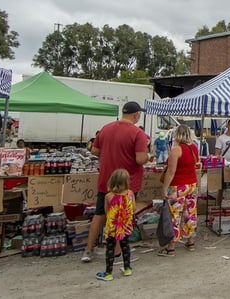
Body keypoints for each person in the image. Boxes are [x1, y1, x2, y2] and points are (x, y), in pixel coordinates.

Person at [82, 102, 149, 263]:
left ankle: (88, 250)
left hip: (106, 180)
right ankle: (117, 252)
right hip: (127, 182)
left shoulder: (106, 128)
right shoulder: (137, 133)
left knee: (100, 214)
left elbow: (95, 151)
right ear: (136, 115)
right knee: (123, 216)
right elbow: (140, 159)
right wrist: (147, 156)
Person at [158, 125, 201, 256]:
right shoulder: (193, 148)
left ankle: (171, 246)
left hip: (178, 186)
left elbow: (171, 172)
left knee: (174, 215)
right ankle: (191, 240)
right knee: (190, 213)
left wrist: (164, 187)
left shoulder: (176, 150)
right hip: (192, 184)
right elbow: (196, 167)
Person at [95, 169, 135, 281]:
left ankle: (108, 273)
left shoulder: (109, 196)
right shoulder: (130, 194)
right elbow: (134, 208)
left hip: (112, 226)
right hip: (126, 225)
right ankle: (127, 268)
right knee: (125, 246)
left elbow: (107, 211)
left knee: (110, 248)